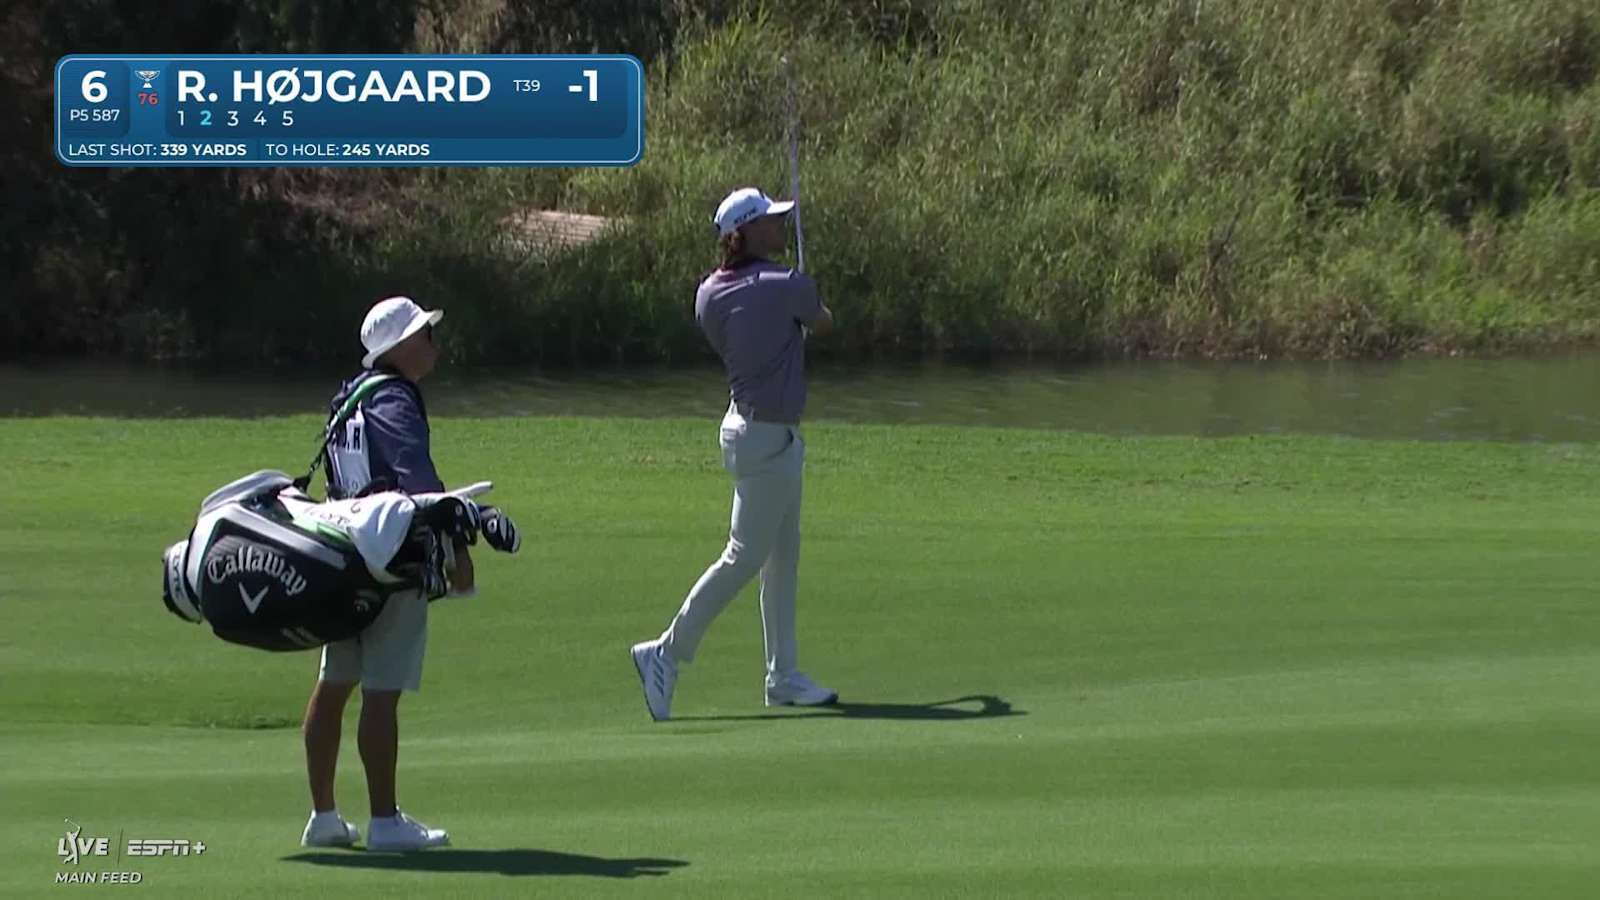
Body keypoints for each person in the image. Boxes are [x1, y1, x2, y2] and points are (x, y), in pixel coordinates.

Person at [631, 187, 838, 721]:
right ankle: (665, 652)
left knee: (781, 558)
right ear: (745, 233)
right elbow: (823, 321)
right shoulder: (786, 284)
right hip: (766, 437)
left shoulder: (708, 294)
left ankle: (783, 676)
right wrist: (806, 293)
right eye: (770, 221)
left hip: (751, 429)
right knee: (744, 556)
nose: (780, 226)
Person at [299, 296, 462, 851]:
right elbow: (419, 482)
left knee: (334, 683)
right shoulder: (394, 397)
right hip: (391, 558)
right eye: (425, 335)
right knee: (381, 692)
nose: (433, 344)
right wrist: (456, 548)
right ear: (401, 346)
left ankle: (324, 816)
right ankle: (385, 822)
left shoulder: (350, 395)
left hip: (343, 555)